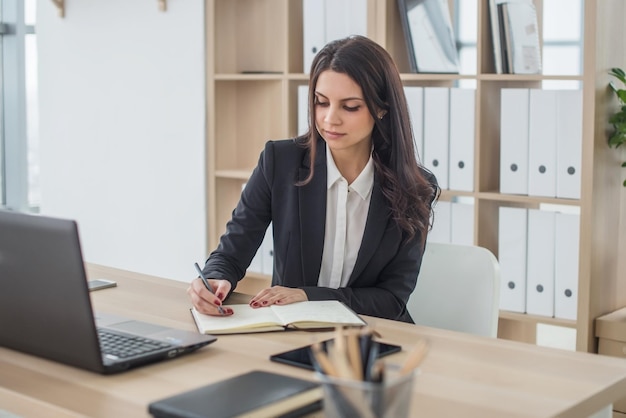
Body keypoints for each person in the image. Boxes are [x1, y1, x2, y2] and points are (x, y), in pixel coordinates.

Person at [188, 35, 439, 323]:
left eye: (350, 106)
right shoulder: (278, 162)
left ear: (381, 108)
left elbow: (392, 299)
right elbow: (231, 253)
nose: (330, 119)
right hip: (294, 332)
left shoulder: (415, 188)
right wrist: (214, 279)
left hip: (373, 337)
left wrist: (309, 296)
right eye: (321, 102)